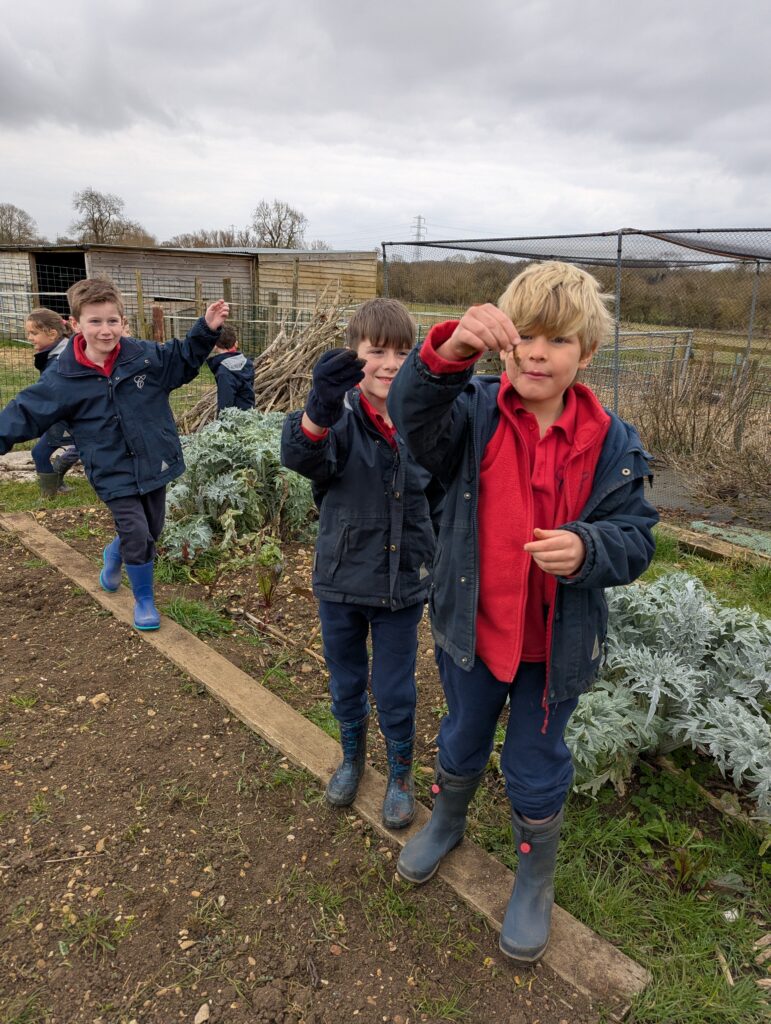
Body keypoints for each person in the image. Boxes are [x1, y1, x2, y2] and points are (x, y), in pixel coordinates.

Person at [387, 261, 658, 962]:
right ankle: (446, 822)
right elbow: (411, 417)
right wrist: (447, 352)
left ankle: (533, 875)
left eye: (559, 341)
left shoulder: (613, 443)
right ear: (505, 342)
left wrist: (590, 546)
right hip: (470, 634)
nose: (538, 352)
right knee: (461, 736)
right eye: (526, 336)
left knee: (537, 767)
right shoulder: (468, 413)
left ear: (586, 355)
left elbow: (636, 539)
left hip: (553, 649)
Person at [280, 298, 438, 830]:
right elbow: (301, 457)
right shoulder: (338, 416)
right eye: (377, 352)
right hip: (342, 578)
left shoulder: (424, 419)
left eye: (402, 351)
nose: (390, 363)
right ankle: (352, 758)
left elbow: (441, 493)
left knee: (396, 685)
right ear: (354, 356)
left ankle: (399, 772)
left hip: (402, 582)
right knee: (346, 676)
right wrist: (317, 413)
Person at [0, 278, 229, 630]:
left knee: (152, 528)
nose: (105, 330)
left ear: (123, 322)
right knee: (137, 532)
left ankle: (114, 553)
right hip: (110, 466)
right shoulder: (62, 378)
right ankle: (144, 600)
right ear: (74, 325)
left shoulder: (144, 357)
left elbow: (181, 360)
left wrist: (205, 330)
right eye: (95, 322)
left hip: (154, 458)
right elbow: (25, 412)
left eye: (112, 321)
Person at [24, 308, 81, 496]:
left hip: (68, 416)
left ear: (52, 333)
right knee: (41, 452)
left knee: (43, 452)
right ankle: (53, 488)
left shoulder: (62, 359)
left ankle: (51, 490)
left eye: (34, 333)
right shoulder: (55, 354)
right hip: (60, 416)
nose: (30, 338)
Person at [207, 324, 255, 413]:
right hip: (249, 415)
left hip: (234, 421)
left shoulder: (224, 371)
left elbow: (225, 407)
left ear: (215, 345)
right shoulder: (247, 363)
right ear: (235, 343)